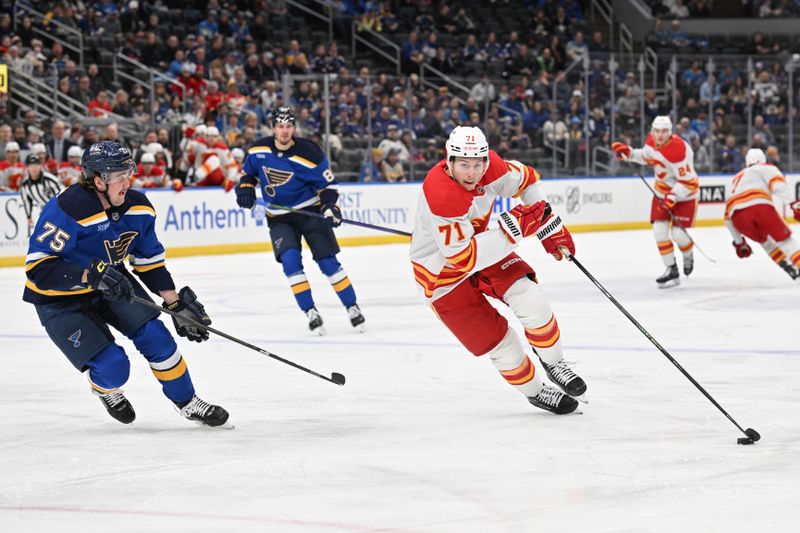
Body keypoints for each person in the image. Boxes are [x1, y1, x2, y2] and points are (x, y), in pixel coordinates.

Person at [23, 140, 229, 427]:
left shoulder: (138, 208)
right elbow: (39, 268)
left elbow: (149, 262)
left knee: (157, 337)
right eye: (120, 177)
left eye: (127, 174)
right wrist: (88, 275)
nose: (127, 182)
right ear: (98, 181)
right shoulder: (69, 208)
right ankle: (104, 389)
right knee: (114, 368)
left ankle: (187, 402)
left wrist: (175, 302)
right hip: (59, 299)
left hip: (111, 283)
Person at [409, 125, 585, 415]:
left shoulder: (493, 168)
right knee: (502, 344)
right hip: (441, 277)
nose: (472, 172)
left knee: (530, 297)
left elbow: (529, 182)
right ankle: (537, 391)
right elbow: (463, 259)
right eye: (464, 165)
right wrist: (514, 229)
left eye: (477, 164)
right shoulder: (441, 193)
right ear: (449, 162)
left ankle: (553, 361)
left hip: (480, 248)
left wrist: (549, 225)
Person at [235, 107, 365, 335]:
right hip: (279, 218)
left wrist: (329, 207)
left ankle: (351, 306)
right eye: (280, 126)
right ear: (273, 127)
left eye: (288, 126)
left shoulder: (309, 153)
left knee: (328, 263)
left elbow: (328, 187)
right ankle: (310, 312)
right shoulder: (258, 150)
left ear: (294, 128)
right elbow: (249, 174)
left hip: (310, 213)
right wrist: (245, 188)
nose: (284, 131)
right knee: (290, 262)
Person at [612, 116, 699, 288]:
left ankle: (687, 254)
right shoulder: (651, 141)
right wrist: (628, 153)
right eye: (657, 131)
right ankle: (671, 269)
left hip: (685, 195)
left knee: (678, 235)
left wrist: (673, 197)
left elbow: (690, 182)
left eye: (664, 131)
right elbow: (646, 157)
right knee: (659, 231)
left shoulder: (680, 150)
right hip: (661, 192)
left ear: (670, 132)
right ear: (652, 131)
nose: (659, 135)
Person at [725, 148, 800, 281]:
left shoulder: (735, 179)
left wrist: (739, 242)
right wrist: (795, 204)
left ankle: (786, 265)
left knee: (764, 241)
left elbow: (727, 218)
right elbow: (778, 186)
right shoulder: (766, 167)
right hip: (759, 208)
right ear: (763, 159)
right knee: (784, 240)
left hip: (738, 218)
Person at [20, 152, 63, 234]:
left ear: (41, 166)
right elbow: (27, 201)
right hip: (45, 213)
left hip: (60, 211)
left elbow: (64, 193)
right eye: (31, 165)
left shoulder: (50, 179)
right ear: (27, 167)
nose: (34, 168)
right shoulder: (25, 185)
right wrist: (29, 217)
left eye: (36, 165)